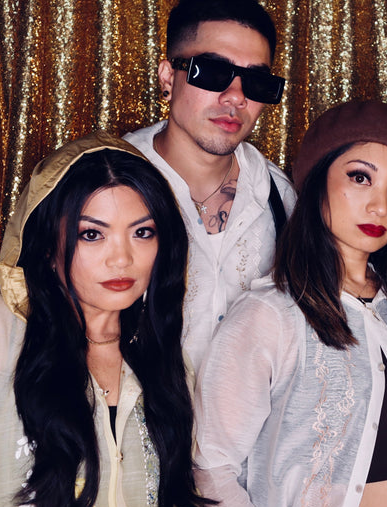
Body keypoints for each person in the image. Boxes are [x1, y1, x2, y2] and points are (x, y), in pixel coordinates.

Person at [193, 100, 387, 507]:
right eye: (360, 177)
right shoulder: (269, 316)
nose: (380, 206)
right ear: (318, 183)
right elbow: (213, 468)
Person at [0, 132, 211, 507]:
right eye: (91, 234)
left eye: (142, 232)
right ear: (46, 246)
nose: (121, 259)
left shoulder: (167, 363)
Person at [124, 0, 295, 370]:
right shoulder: (104, 182)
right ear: (168, 77)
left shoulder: (281, 198)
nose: (236, 97)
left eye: (256, 81)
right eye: (213, 72)